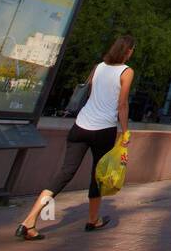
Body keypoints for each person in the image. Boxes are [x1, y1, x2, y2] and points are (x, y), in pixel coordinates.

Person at [16, 35, 135, 239]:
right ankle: (92, 219)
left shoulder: (98, 67)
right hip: (104, 129)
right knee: (98, 175)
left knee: (65, 172)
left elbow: (89, 92)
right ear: (128, 51)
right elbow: (122, 104)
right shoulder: (127, 71)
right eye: (132, 50)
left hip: (80, 126)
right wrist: (125, 132)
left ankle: (29, 220)